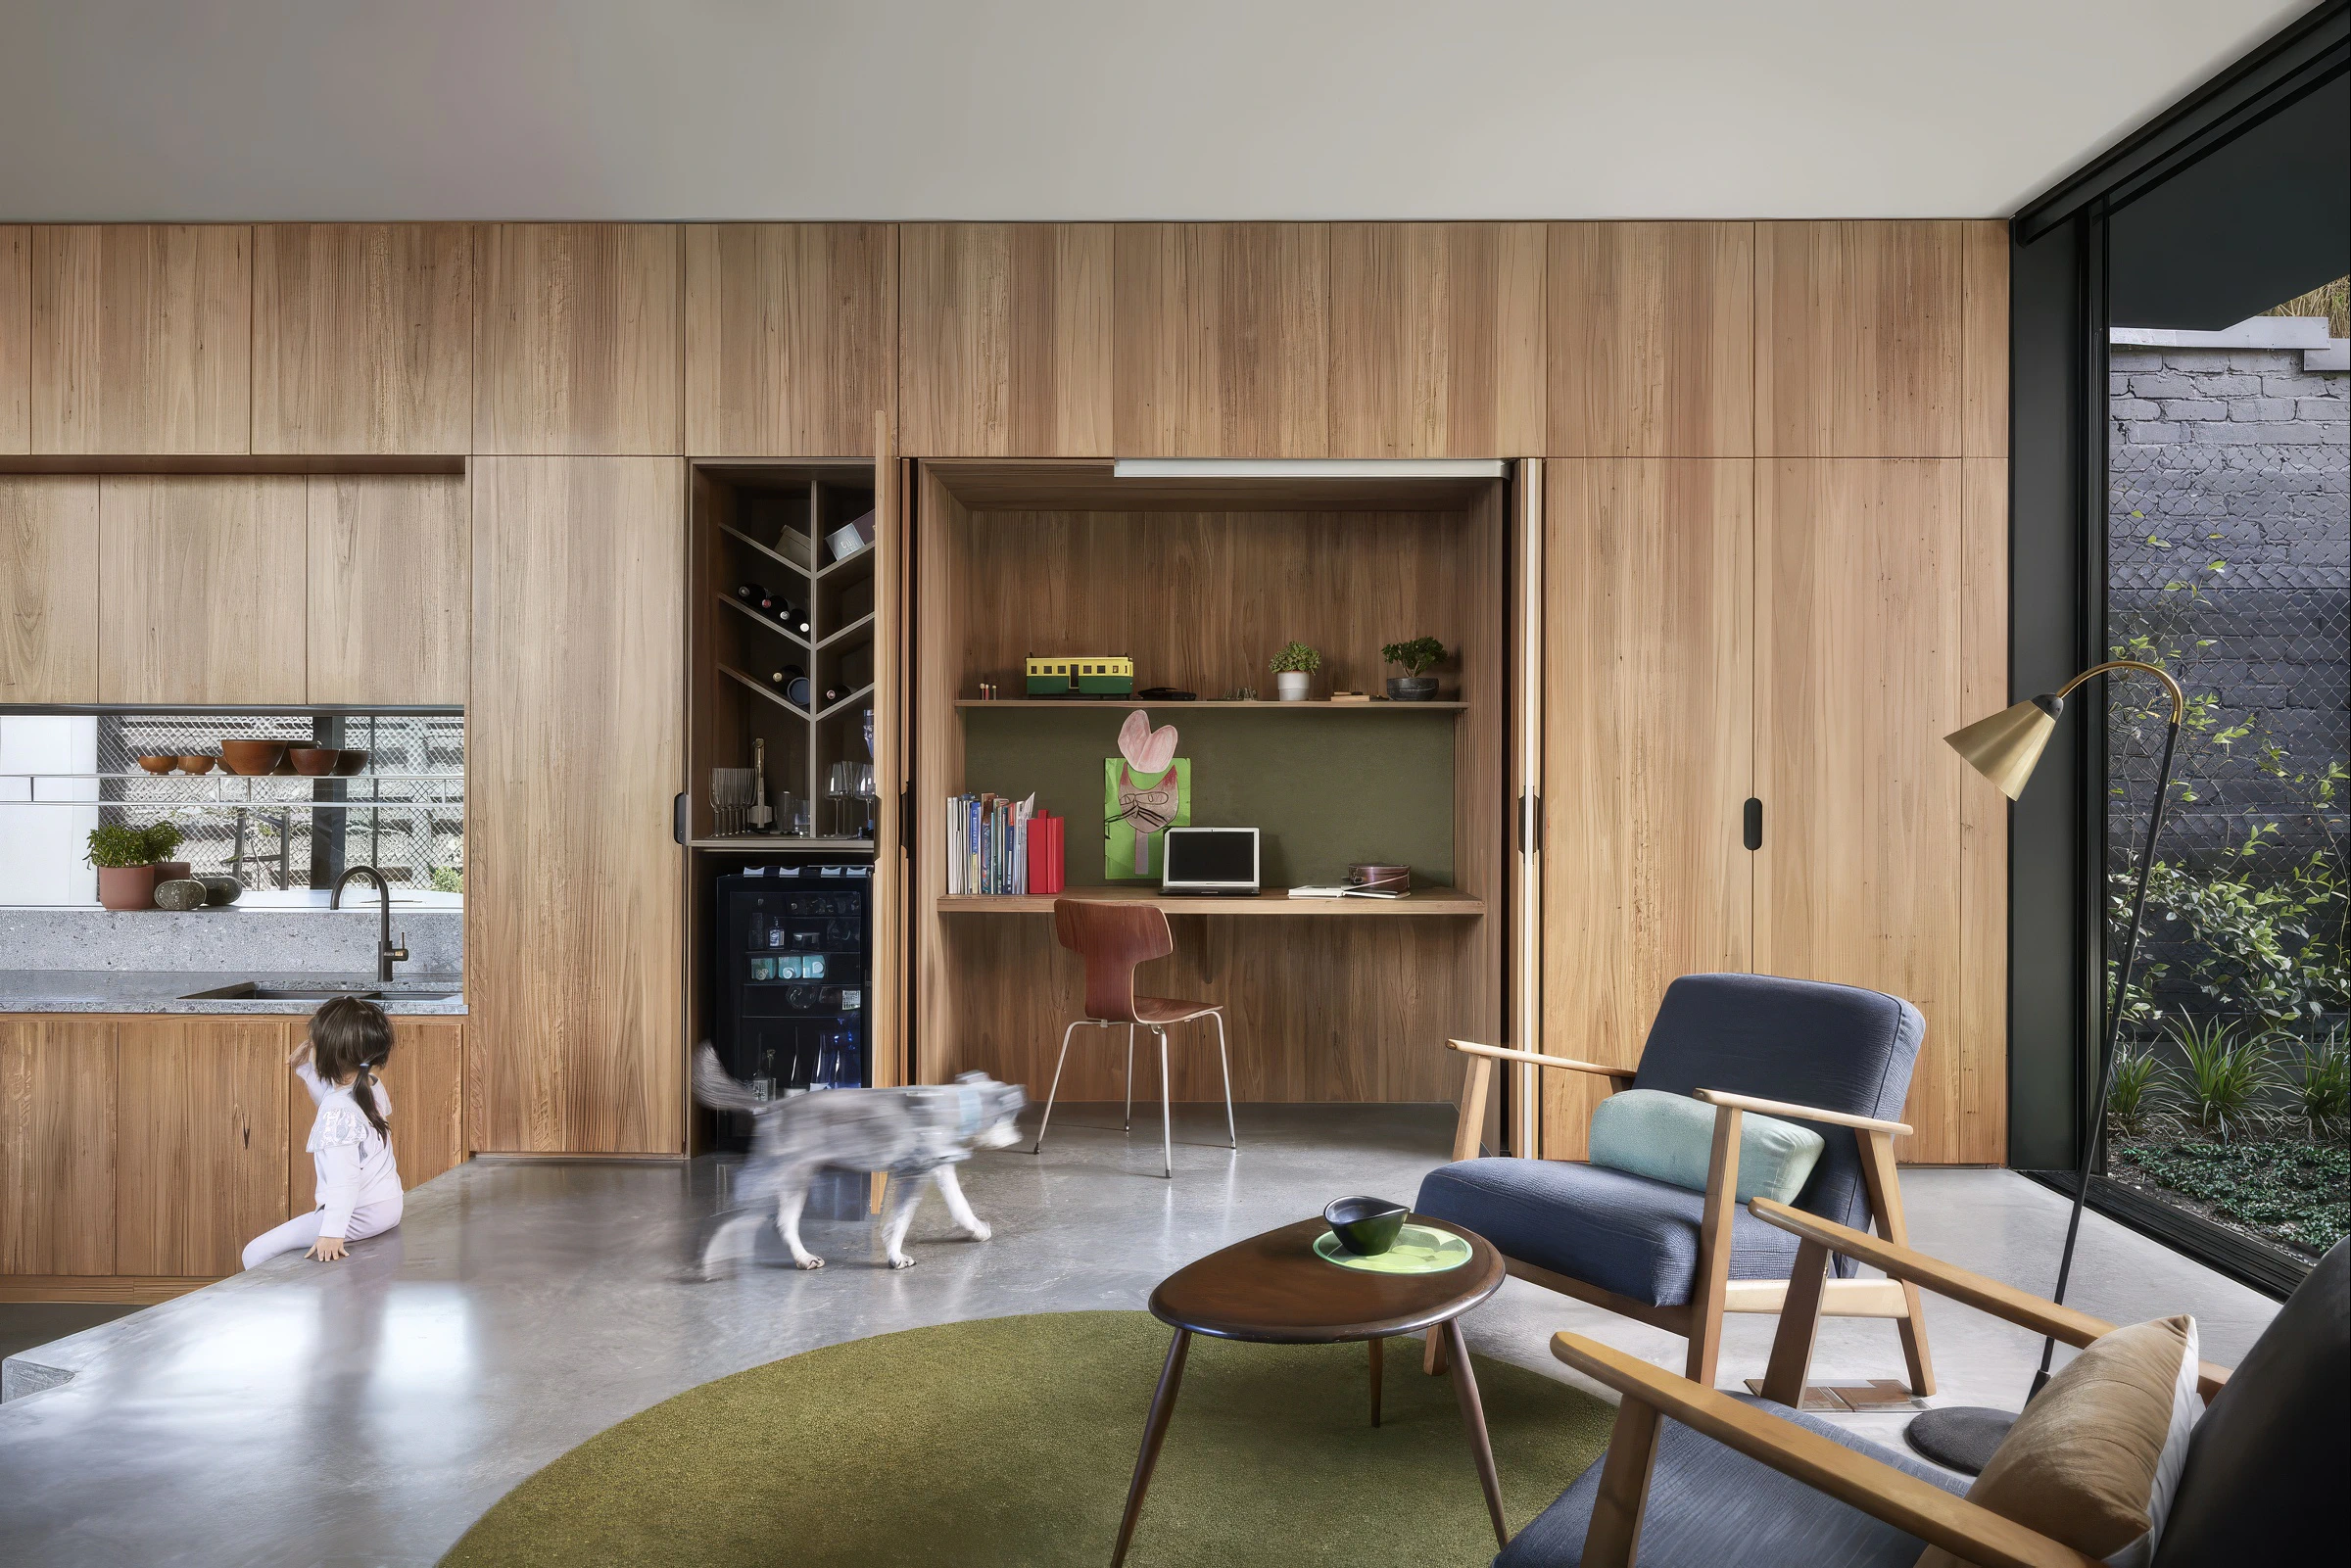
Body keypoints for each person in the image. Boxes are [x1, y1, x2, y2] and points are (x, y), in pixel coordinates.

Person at [240, 996, 404, 1269]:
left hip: (359, 1214)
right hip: (387, 1207)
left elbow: (344, 1179)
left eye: (314, 1043)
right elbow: (329, 1096)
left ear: (327, 1053)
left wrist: (331, 1232)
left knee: (254, 1253)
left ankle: (276, 1310)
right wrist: (305, 1066)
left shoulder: (337, 1111)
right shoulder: (370, 1085)